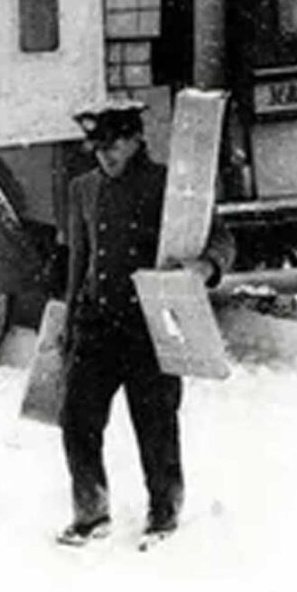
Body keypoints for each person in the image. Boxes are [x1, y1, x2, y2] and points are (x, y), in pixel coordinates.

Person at [57, 100, 234, 547]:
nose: (104, 155)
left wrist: (204, 268)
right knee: (77, 418)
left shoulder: (169, 188)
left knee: (155, 424)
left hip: (150, 328)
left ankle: (164, 512)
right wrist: (69, 318)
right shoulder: (83, 189)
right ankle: (90, 512)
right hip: (97, 325)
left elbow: (220, 238)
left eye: (113, 145)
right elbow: (80, 259)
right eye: (96, 147)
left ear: (136, 139)